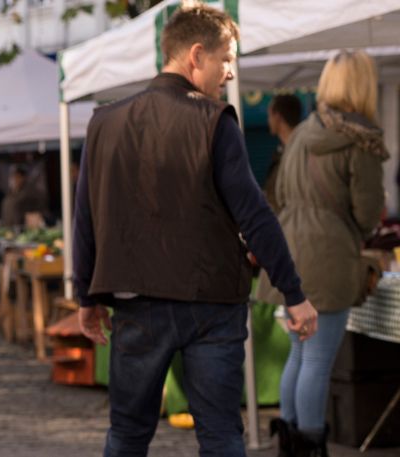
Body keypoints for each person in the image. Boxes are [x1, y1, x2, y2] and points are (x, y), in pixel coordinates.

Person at [73, 5, 319, 456]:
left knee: (127, 434)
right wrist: (294, 292)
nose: (229, 72)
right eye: (226, 59)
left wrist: (86, 296)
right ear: (196, 55)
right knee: (221, 432)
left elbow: (85, 217)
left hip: (136, 298)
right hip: (211, 302)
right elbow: (254, 214)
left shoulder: (103, 123)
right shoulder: (213, 120)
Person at [260, 51, 386, 456]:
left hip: (290, 252)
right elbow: (367, 214)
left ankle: (291, 446)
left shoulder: (302, 132)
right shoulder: (359, 138)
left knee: (299, 356)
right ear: (363, 85)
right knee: (316, 361)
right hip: (329, 256)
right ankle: (310, 448)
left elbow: (278, 194)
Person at [263, 94, 305, 211]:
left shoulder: (301, 150)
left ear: (278, 117)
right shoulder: (281, 150)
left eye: (269, 115)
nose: (268, 120)